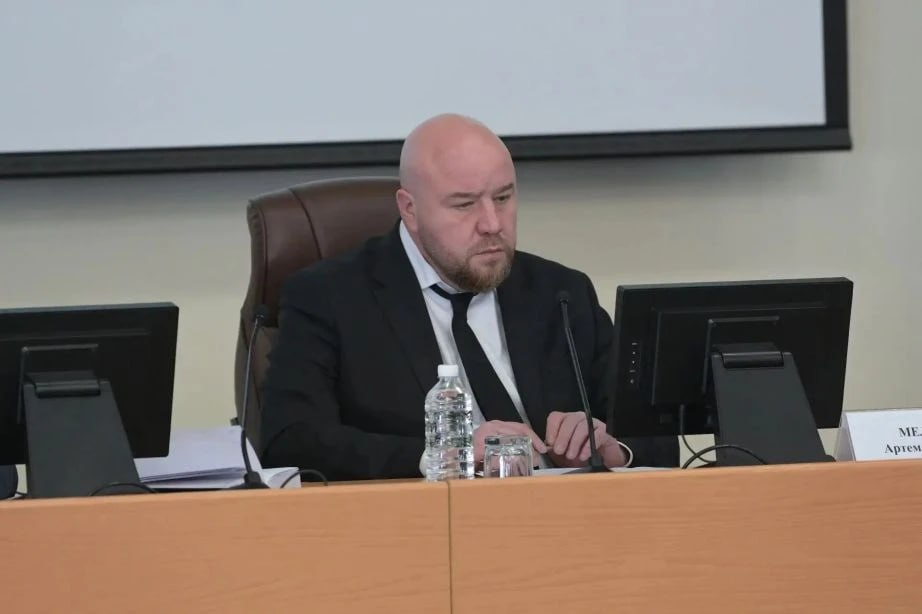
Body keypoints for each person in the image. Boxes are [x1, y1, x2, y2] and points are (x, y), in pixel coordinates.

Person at [260, 114, 677, 480]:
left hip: (565, 521)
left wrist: (611, 449)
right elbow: (291, 441)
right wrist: (442, 457)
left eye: (503, 198)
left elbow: (655, 434)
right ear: (409, 209)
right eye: (464, 205)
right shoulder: (330, 298)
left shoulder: (561, 293)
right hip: (419, 527)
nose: (492, 223)